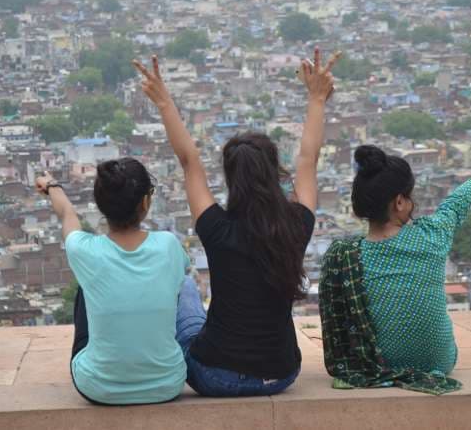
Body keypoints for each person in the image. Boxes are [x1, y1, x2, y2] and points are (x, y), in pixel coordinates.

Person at [132, 48, 338, 397]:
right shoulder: (296, 225)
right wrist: (317, 97)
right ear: (275, 173)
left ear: (230, 177)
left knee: (184, 291)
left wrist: (164, 103)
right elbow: (308, 160)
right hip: (282, 373)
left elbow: (189, 161)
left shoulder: (217, 228)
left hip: (216, 376)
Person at [319, 145, 471, 395]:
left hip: (376, 362)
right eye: (409, 196)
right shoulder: (432, 235)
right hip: (437, 362)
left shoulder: (346, 255)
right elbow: (455, 204)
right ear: (399, 202)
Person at [35, 159, 189, 405]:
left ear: (101, 205)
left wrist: (53, 186)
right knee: (184, 283)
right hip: (167, 383)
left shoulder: (86, 251)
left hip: (99, 386)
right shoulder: (168, 245)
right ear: (146, 202)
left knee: (89, 287)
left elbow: (68, 215)